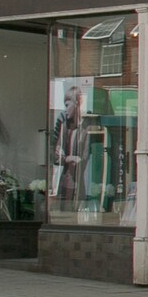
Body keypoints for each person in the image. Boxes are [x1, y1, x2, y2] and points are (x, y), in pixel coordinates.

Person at [51, 84, 87, 217]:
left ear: (77, 103)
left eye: (67, 105)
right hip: (64, 182)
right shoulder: (64, 127)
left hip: (78, 184)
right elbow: (56, 156)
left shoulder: (85, 130)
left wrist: (68, 158)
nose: (65, 110)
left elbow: (83, 159)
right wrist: (69, 158)